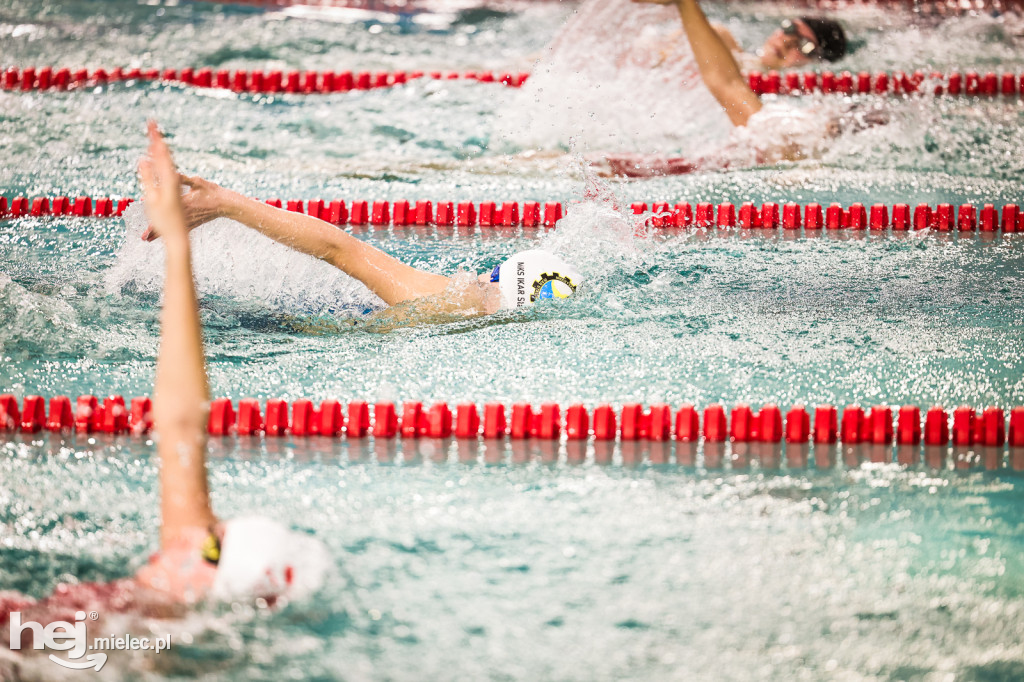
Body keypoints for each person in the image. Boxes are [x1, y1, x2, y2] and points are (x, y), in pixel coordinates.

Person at [2, 123, 329, 670]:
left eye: (212, 534)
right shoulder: (143, 648)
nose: (202, 525)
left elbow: (179, 419)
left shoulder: (107, 626)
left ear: (209, 570)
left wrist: (179, 248)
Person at [140, 170, 584, 319]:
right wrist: (226, 204)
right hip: (295, 323)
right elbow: (339, 249)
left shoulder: (462, 299)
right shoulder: (449, 301)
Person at [602, 0, 853, 177]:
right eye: (789, 29)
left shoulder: (795, 109)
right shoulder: (724, 42)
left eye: (805, 46)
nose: (787, 42)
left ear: (819, 65)